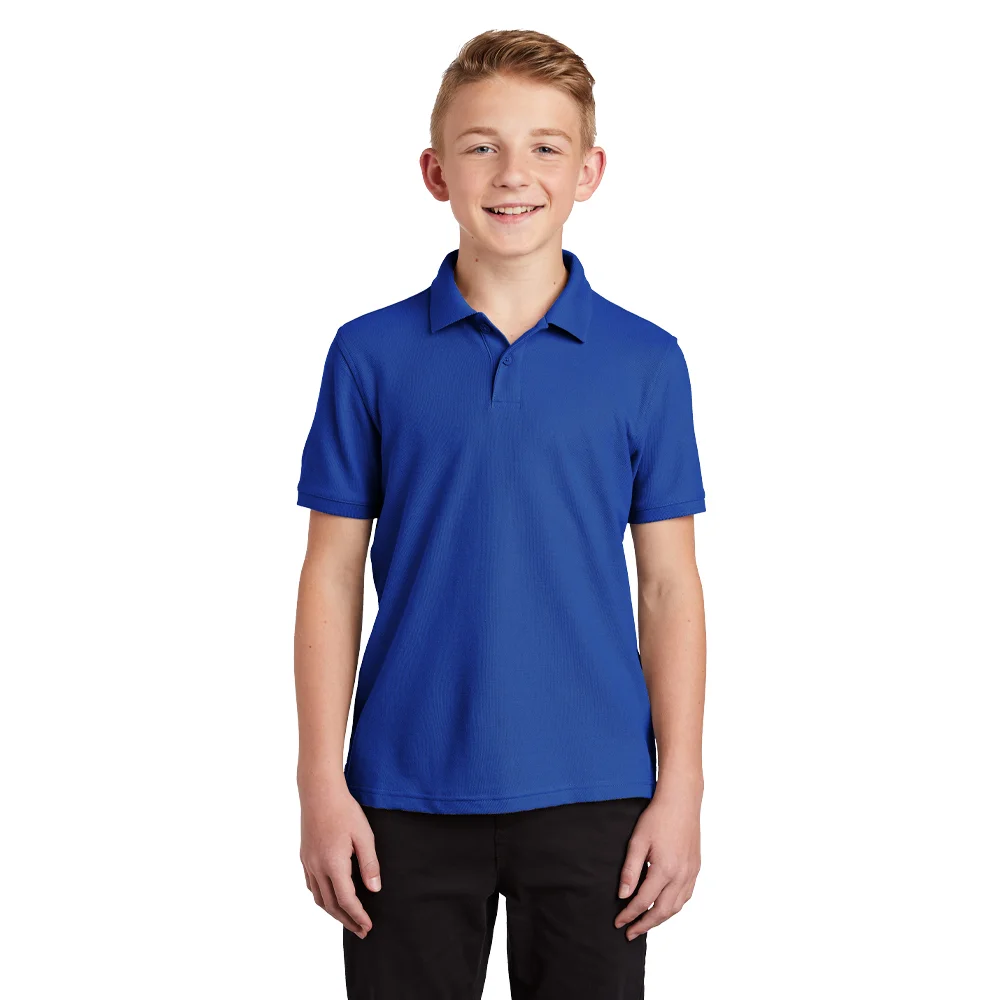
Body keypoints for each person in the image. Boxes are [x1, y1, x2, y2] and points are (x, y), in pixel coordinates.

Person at [293, 28, 707, 1000]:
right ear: (436, 171)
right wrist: (319, 779)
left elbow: (668, 585)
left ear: (588, 172)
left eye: (545, 147)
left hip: (598, 789)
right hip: (400, 789)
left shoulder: (646, 361)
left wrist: (682, 784)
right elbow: (329, 573)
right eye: (481, 146)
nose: (513, 173)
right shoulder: (368, 354)